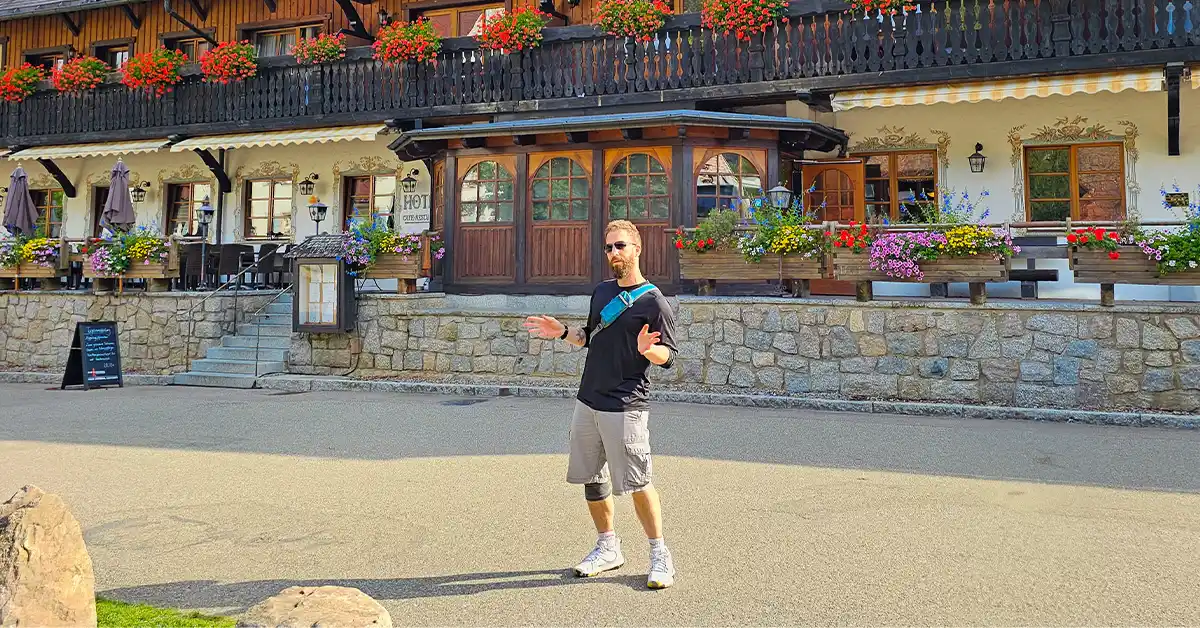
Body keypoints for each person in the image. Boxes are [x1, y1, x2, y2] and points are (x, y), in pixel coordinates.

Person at [523, 219, 679, 590]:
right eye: (609, 248)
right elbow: (589, 337)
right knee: (592, 478)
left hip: (626, 405)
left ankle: (660, 554)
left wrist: (649, 350)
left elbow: (669, 356)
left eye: (620, 246)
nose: (614, 254)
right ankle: (608, 546)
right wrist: (562, 333)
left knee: (638, 483)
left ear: (637, 248)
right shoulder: (601, 292)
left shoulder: (654, 301)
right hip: (588, 400)